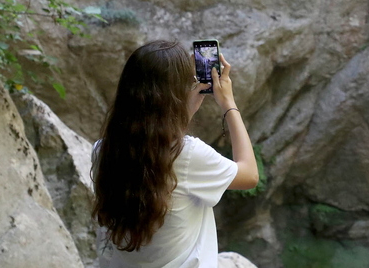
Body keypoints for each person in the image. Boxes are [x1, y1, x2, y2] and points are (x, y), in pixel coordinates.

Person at [91, 40, 259, 267]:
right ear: (175, 96)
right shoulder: (189, 156)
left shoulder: (102, 151)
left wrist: (183, 110)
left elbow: (155, 145)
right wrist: (228, 103)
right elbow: (250, 175)